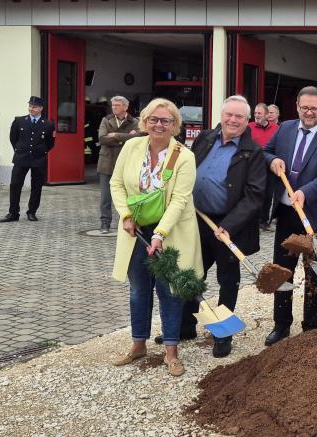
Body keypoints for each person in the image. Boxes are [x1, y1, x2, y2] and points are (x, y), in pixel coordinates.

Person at [164, 95, 266, 358]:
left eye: (239, 117)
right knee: (191, 274)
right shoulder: (205, 138)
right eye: (229, 115)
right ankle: (186, 326)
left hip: (229, 226)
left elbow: (254, 196)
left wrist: (229, 225)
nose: (232, 120)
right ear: (221, 115)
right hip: (196, 220)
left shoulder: (252, 151)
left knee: (228, 280)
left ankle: (222, 334)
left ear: (247, 121)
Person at [109, 98, 202, 377]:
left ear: (175, 126)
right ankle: (138, 344)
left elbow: (180, 200)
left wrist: (160, 233)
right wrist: (125, 215)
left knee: (169, 291)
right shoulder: (131, 146)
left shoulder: (184, 156)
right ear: (144, 122)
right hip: (134, 228)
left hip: (170, 231)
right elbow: (116, 183)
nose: (159, 125)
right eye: (154, 119)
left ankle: (171, 351)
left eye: (166, 121)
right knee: (139, 290)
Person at [262, 86, 317, 346]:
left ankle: (311, 325)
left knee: (315, 273)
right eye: (304, 107)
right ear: (297, 107)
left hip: (315, 216)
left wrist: (305, 192)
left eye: (314, 108)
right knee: (282, 271)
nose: (309, 112)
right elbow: (266, 150)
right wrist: (272, 161)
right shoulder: (286, 128)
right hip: (288, 214)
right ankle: (281, 324)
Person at [0, 96, 56, 223]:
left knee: (36, 187)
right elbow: (13, 138)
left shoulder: (48, 124)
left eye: (34, 107)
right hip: (21, 158)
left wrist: (41, 152)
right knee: (15, 185)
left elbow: (50, 143)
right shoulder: (19, 121)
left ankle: (32, 212)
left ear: (41, 108)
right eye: (30, 106)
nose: (31, 109)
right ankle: (13, 213)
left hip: (38, 159)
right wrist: (19, 150)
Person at [97, 96, 141, 233]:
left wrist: (115, 135)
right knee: (105, 197)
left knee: (130, 195)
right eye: (113, 105)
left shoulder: (134, 121)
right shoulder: (106, 120)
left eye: (117, 105)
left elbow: (139, 137)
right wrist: (126, 138)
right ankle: (105, 223)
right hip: (106, 163)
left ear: (125, 107)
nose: (114, 107)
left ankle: (131, 221)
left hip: (126, 164)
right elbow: (102, 139)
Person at [250, 102, 281, 231]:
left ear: (267, 115)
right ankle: (253, 221)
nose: (256, 115)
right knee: (255, 193)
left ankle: (264, 222)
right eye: (255, 113)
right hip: (254, 167)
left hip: (269, 166)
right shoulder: (249, 127)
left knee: (268, 194)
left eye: (259, 113)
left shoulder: (277, 128)